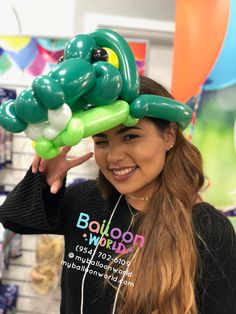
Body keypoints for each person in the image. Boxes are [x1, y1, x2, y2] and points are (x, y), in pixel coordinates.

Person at [0, 76, 235, 314]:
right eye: (101, 142)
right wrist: (40, 178)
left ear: (169, 136)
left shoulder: (207, 229)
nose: (113, 157)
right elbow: (13, 218)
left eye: (130, 136)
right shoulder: (86, 199)